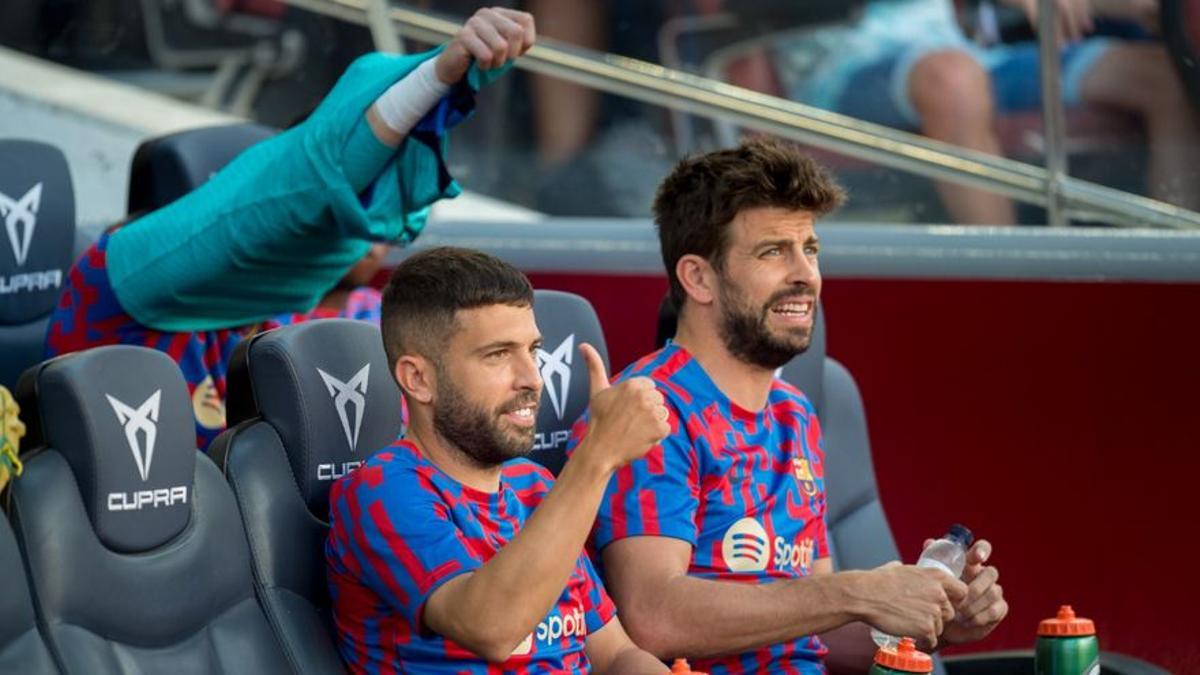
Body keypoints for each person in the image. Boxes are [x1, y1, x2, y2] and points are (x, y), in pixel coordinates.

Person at [565, 138, 1008, 674]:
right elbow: (654, 617)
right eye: (773, 251)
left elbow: (815, 639)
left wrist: (931, 623)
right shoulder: (650, 410)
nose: (805, 274)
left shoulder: (794, 413)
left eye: (811, 249)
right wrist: (856, 591)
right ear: (698, 277)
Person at [44, 7, 536, 450]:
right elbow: (306, 183)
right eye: (343, 221)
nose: (370, 239)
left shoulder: (302, 328)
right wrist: (433, 77)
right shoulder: (108, 294)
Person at [325, 246, 669, 673]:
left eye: (533, 350)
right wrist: (596, 456)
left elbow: (616, 653)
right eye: (498, 355)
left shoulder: (535, 486)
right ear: (418, 379)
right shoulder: (383, 489)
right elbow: (490, 627)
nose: (531, 378)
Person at [775, 0, 1199, 223]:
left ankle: (1173, 250)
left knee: (1161, 77)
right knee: (953, 80)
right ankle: (1013, 285)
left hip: (962, 53)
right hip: (840, 67)